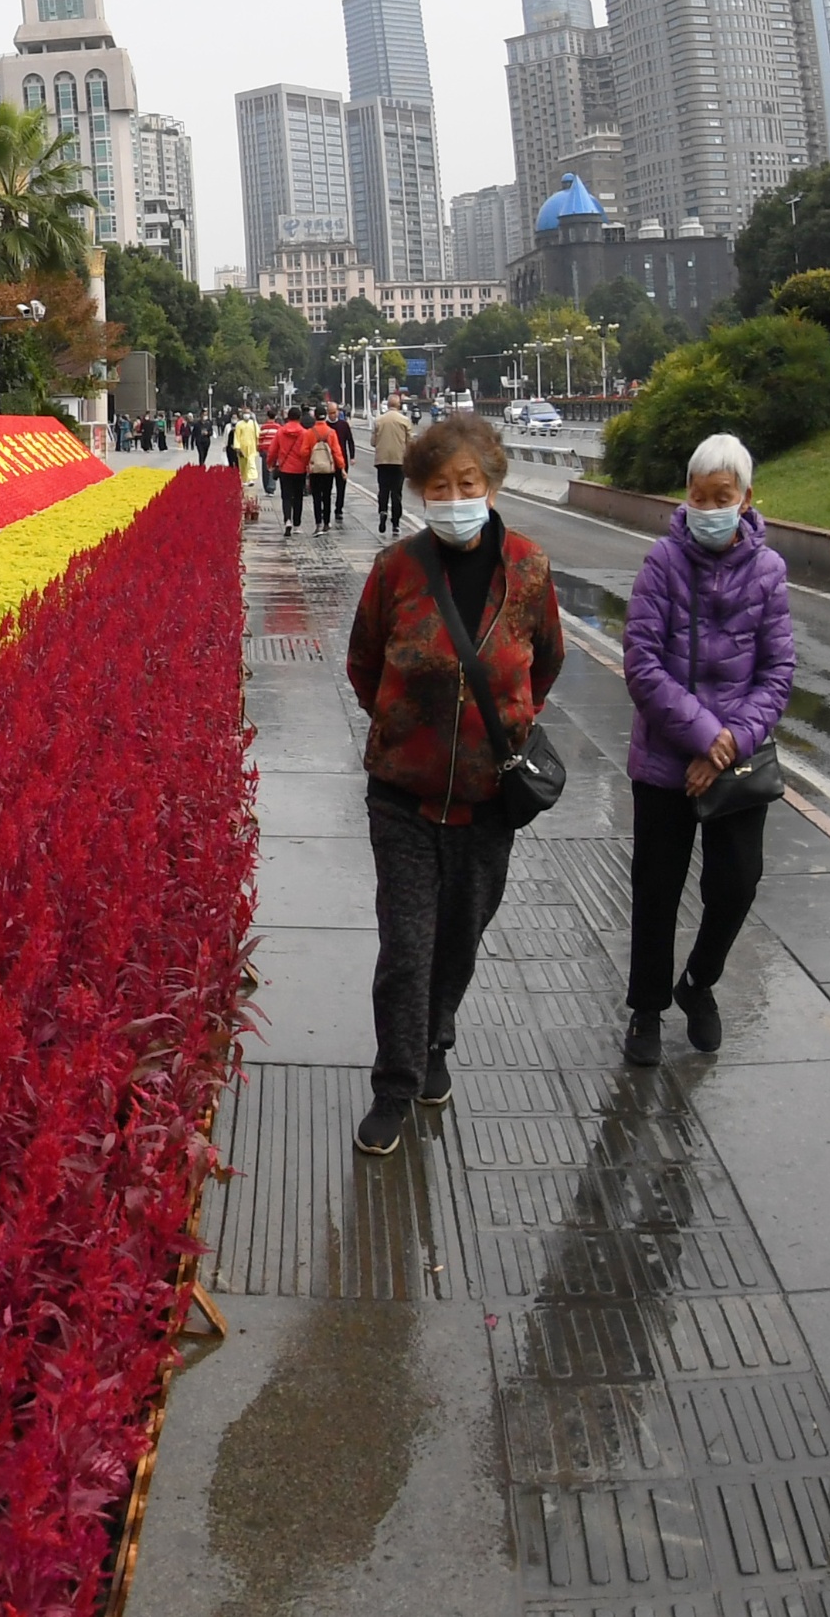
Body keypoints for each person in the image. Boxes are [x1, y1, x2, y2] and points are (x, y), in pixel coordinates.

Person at [343, 412, 563, 1154]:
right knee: (405, 947)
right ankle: (394, 1084)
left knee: (459, 939)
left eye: (466, 483)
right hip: (401, 795)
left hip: (485, 800)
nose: (454, 497)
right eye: (438, 487)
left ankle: (436, 1041)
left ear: (492, 486)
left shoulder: (529, 570)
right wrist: (407, 727)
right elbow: (363, 665)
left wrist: (502, 723)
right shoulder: (395, 571)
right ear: (420, 493)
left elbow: (546, 662)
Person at [619, 432, 793, 1064]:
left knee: (738, 883)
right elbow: (641, 663)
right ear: (686, 497)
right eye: (700, 495)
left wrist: (727, 745)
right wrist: (702, 735)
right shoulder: (662, 562)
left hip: (738, 761)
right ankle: (646, 1009)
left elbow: (777, 674)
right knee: (656, 887)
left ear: (747, 500)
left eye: (723, 496)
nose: (710, 507)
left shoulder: (769, 572)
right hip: (667, 756)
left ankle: (698, 982)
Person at [371, 394, 414, 535]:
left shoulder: (379, 420)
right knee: (396, 493)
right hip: (398, 461)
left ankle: (383, 511)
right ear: (399, 405)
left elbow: (373, 442)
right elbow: (410, 442)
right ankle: (395, 523)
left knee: (383, 489)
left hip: (382, 462)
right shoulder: (405, 421)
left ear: (388, 405)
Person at [303, 405, 349, 534]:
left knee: (316, 496)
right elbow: (337, 452)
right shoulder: (331, 433)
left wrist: (307, 464)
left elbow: (304, 452)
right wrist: (342, 468)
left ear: (315, 417)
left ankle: (318, 522)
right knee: (327, 496)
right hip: (329, 469)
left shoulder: (309, 433)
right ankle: (327, 522)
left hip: (315, 469)